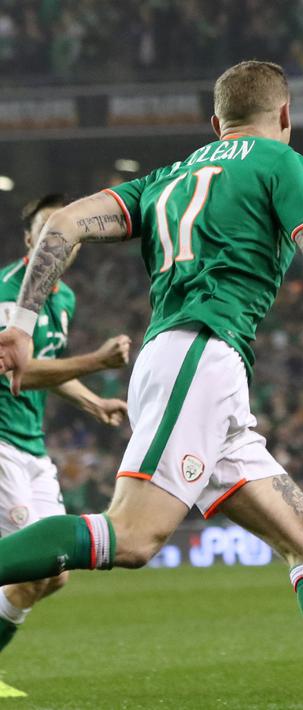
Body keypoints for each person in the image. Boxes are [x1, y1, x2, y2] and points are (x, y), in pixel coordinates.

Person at [0, 61, 303, 710]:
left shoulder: (166, 178)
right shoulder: (278, 161)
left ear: (215, 124)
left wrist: (22, 319)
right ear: (285, 116)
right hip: (198, 351)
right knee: (132, 539)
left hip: (204, 370)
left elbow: (63, 223)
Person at [0, 193, 131, 656]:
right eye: (43, 236)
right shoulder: (9, 292)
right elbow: (21, 369)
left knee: (54, 574)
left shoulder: (65, 298)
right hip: (2, 448)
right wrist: (97, 361)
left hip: (32, 448)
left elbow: (49, 366)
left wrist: (93, 403)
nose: (54, 246)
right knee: (23, 565)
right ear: (28, 241)